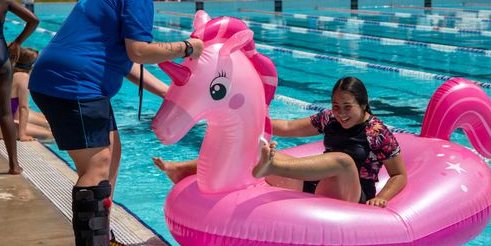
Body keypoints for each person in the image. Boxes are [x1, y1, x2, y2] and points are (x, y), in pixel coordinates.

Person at [28, 0, 204, 246]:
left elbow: (125, 63)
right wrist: (187, 48)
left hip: (72, 79)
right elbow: (139, 52)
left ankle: (102, 240)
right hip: (73, 84)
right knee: (96, 166)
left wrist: (171, 95)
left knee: (113, 150)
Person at [154, 77, 407, 207]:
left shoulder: (377, 132)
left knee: (343, 161)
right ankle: (184, 168)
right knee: (255, 148)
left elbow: (398, 174)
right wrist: (249, 118)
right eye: (336, 106)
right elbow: (287, 127)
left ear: (363, 104)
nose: (340, 113)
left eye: (348, 107)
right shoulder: (329, 119)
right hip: (316, 186)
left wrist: (382, 197)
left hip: (352, 194)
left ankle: (271, 167)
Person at [0, 0, 39, 175]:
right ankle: (14, 165)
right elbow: (34, 20)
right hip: (0, 56)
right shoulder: (2, 0)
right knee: (5, 112)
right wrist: (18, 42)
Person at [0, 47, 53, 142]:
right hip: (1, 124)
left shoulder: (6, 70)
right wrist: (22, 135)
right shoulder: (23, 77)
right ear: (32, 66)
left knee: (49, 126)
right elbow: (23, 108)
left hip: (3, 119)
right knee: (50, 135)